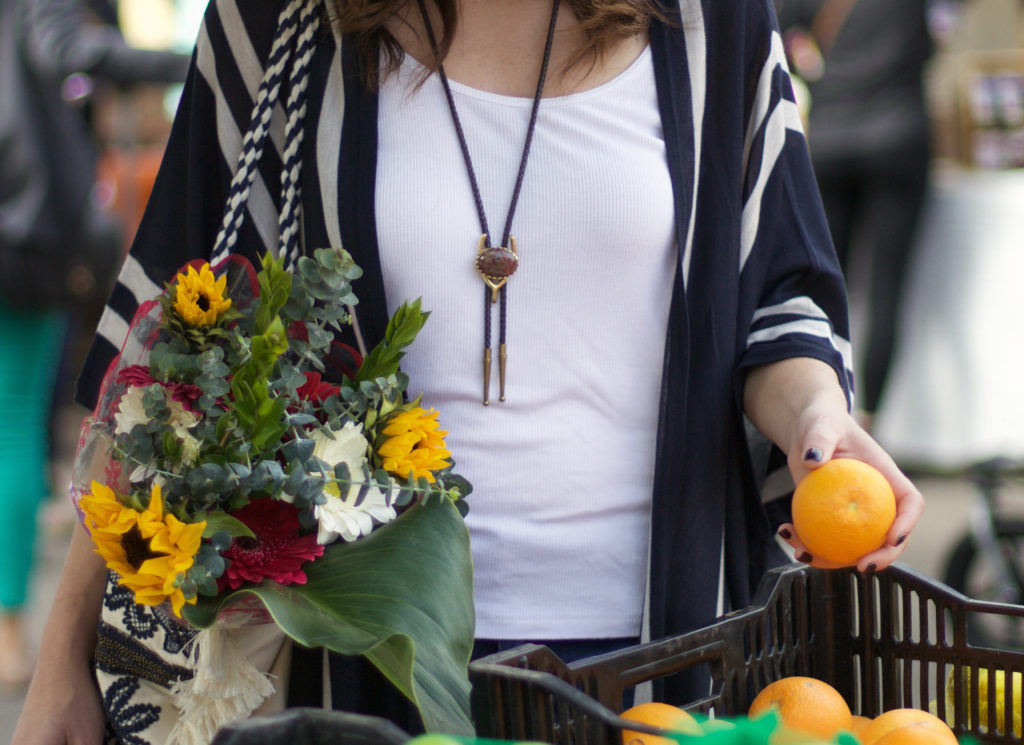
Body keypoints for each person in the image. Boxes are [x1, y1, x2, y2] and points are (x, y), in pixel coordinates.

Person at [13, 0, 925, 741]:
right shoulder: (282, 26)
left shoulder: (709, 25)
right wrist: (63, 664)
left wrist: (817, 418)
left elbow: (778, 296)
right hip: (366, 664)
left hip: (672, 661)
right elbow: (159, 351)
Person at [0, 0, 188, 689]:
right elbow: (70, 52)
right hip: (23, 234)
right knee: (15, 420)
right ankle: (8, 630)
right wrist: (195, 62)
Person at [773, 0, 945, 430]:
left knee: (828, 288)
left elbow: (774, 38)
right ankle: (869, 421)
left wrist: (809, 61)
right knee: (888, 287)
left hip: (831, 139)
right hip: (898, 136)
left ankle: (827, 412)